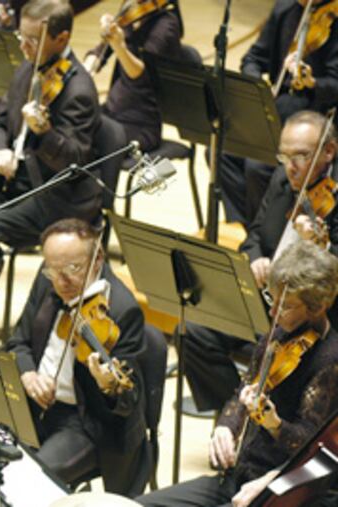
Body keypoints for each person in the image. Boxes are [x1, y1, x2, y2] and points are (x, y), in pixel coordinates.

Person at [136, 239, 338, 507]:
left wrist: (274, 424)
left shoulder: (329, 360)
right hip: (236, 477)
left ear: (317, 307)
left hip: (274, 491)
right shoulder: (278, 334)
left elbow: (311, 451)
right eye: (271, 298)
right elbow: (244, 388)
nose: (272, 311)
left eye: (285, 305)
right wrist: (226, 425)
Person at [0, 0, 102, 340]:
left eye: (32, 40)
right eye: (21, 37)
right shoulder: (26, 68)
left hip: (52, 195)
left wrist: (45, 134)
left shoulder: (79, 90)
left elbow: (76, 161)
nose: (23, 47)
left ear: (62, 38)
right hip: (13, 180)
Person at [184, 110, 338, 413]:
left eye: (301, 156)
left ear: (329, 151)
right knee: (194, 331)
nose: (291, 167)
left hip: (309, 311)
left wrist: (320, 248)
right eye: (284, 156)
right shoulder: (282, 179)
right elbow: (254, 234)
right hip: (268, 300)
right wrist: (256, 259)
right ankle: (232, 420)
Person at [8, 218, 149, 496]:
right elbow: (18, 342)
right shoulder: (47, 277)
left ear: (97, 259)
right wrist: (28, 374)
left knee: (23, 481)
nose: (62, 281)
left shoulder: (122, 310)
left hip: (85, 421)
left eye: (73, 269)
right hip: (33, 404)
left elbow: (128, 402)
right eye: (54, 270)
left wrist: (106, 384)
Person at [217, 0, 338, 225]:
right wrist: (259, 89)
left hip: (314, 116)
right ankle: (245, 226)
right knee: (222, 153)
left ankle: (263, 235)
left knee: (257, 166)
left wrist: (313, 82)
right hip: (276, 109)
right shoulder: (286, 9)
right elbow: (253, 58)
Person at [83, 0, 182, 152]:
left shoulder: (167, 25)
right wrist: (87, 69)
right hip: (113, 110)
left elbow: (140, 75)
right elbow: (101, 50)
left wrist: (119, 46)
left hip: (141, 123)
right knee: (74, 130)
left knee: (88, 147)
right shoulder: (131, 10)